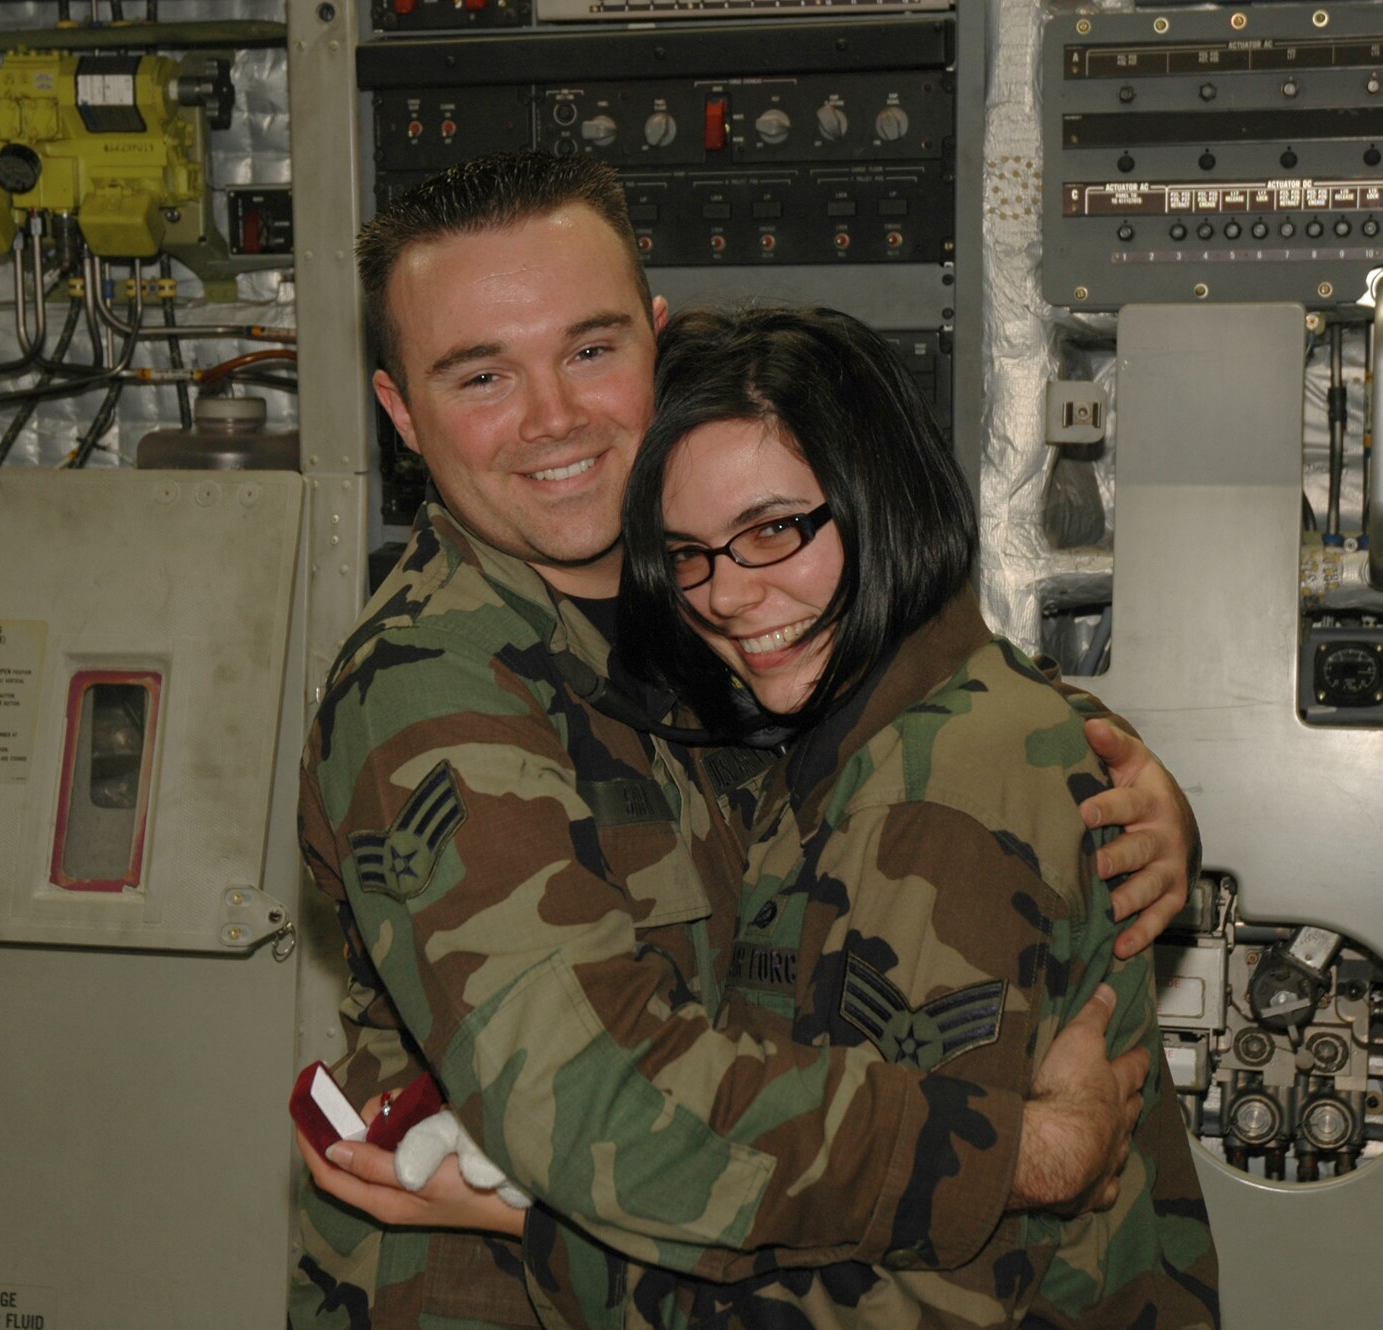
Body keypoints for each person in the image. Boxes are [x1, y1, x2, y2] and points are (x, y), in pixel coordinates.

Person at [291, 151, 1200, 1330]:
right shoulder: (430, 696)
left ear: (657, 345)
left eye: (589, 349)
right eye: (481, 376)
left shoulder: (687, 584)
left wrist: (1104, 771)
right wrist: (1021, 1151)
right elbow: (601, 1104)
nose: (552, 417)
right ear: (401, 414)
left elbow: (897, 683)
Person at [608, 304, 1218, 1326]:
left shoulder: (931, 800)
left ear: (881, 504)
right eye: (687, 555)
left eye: (772, 529)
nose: (725, 596)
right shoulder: (860, 720)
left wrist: (531, 1232)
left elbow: (910, 1286)